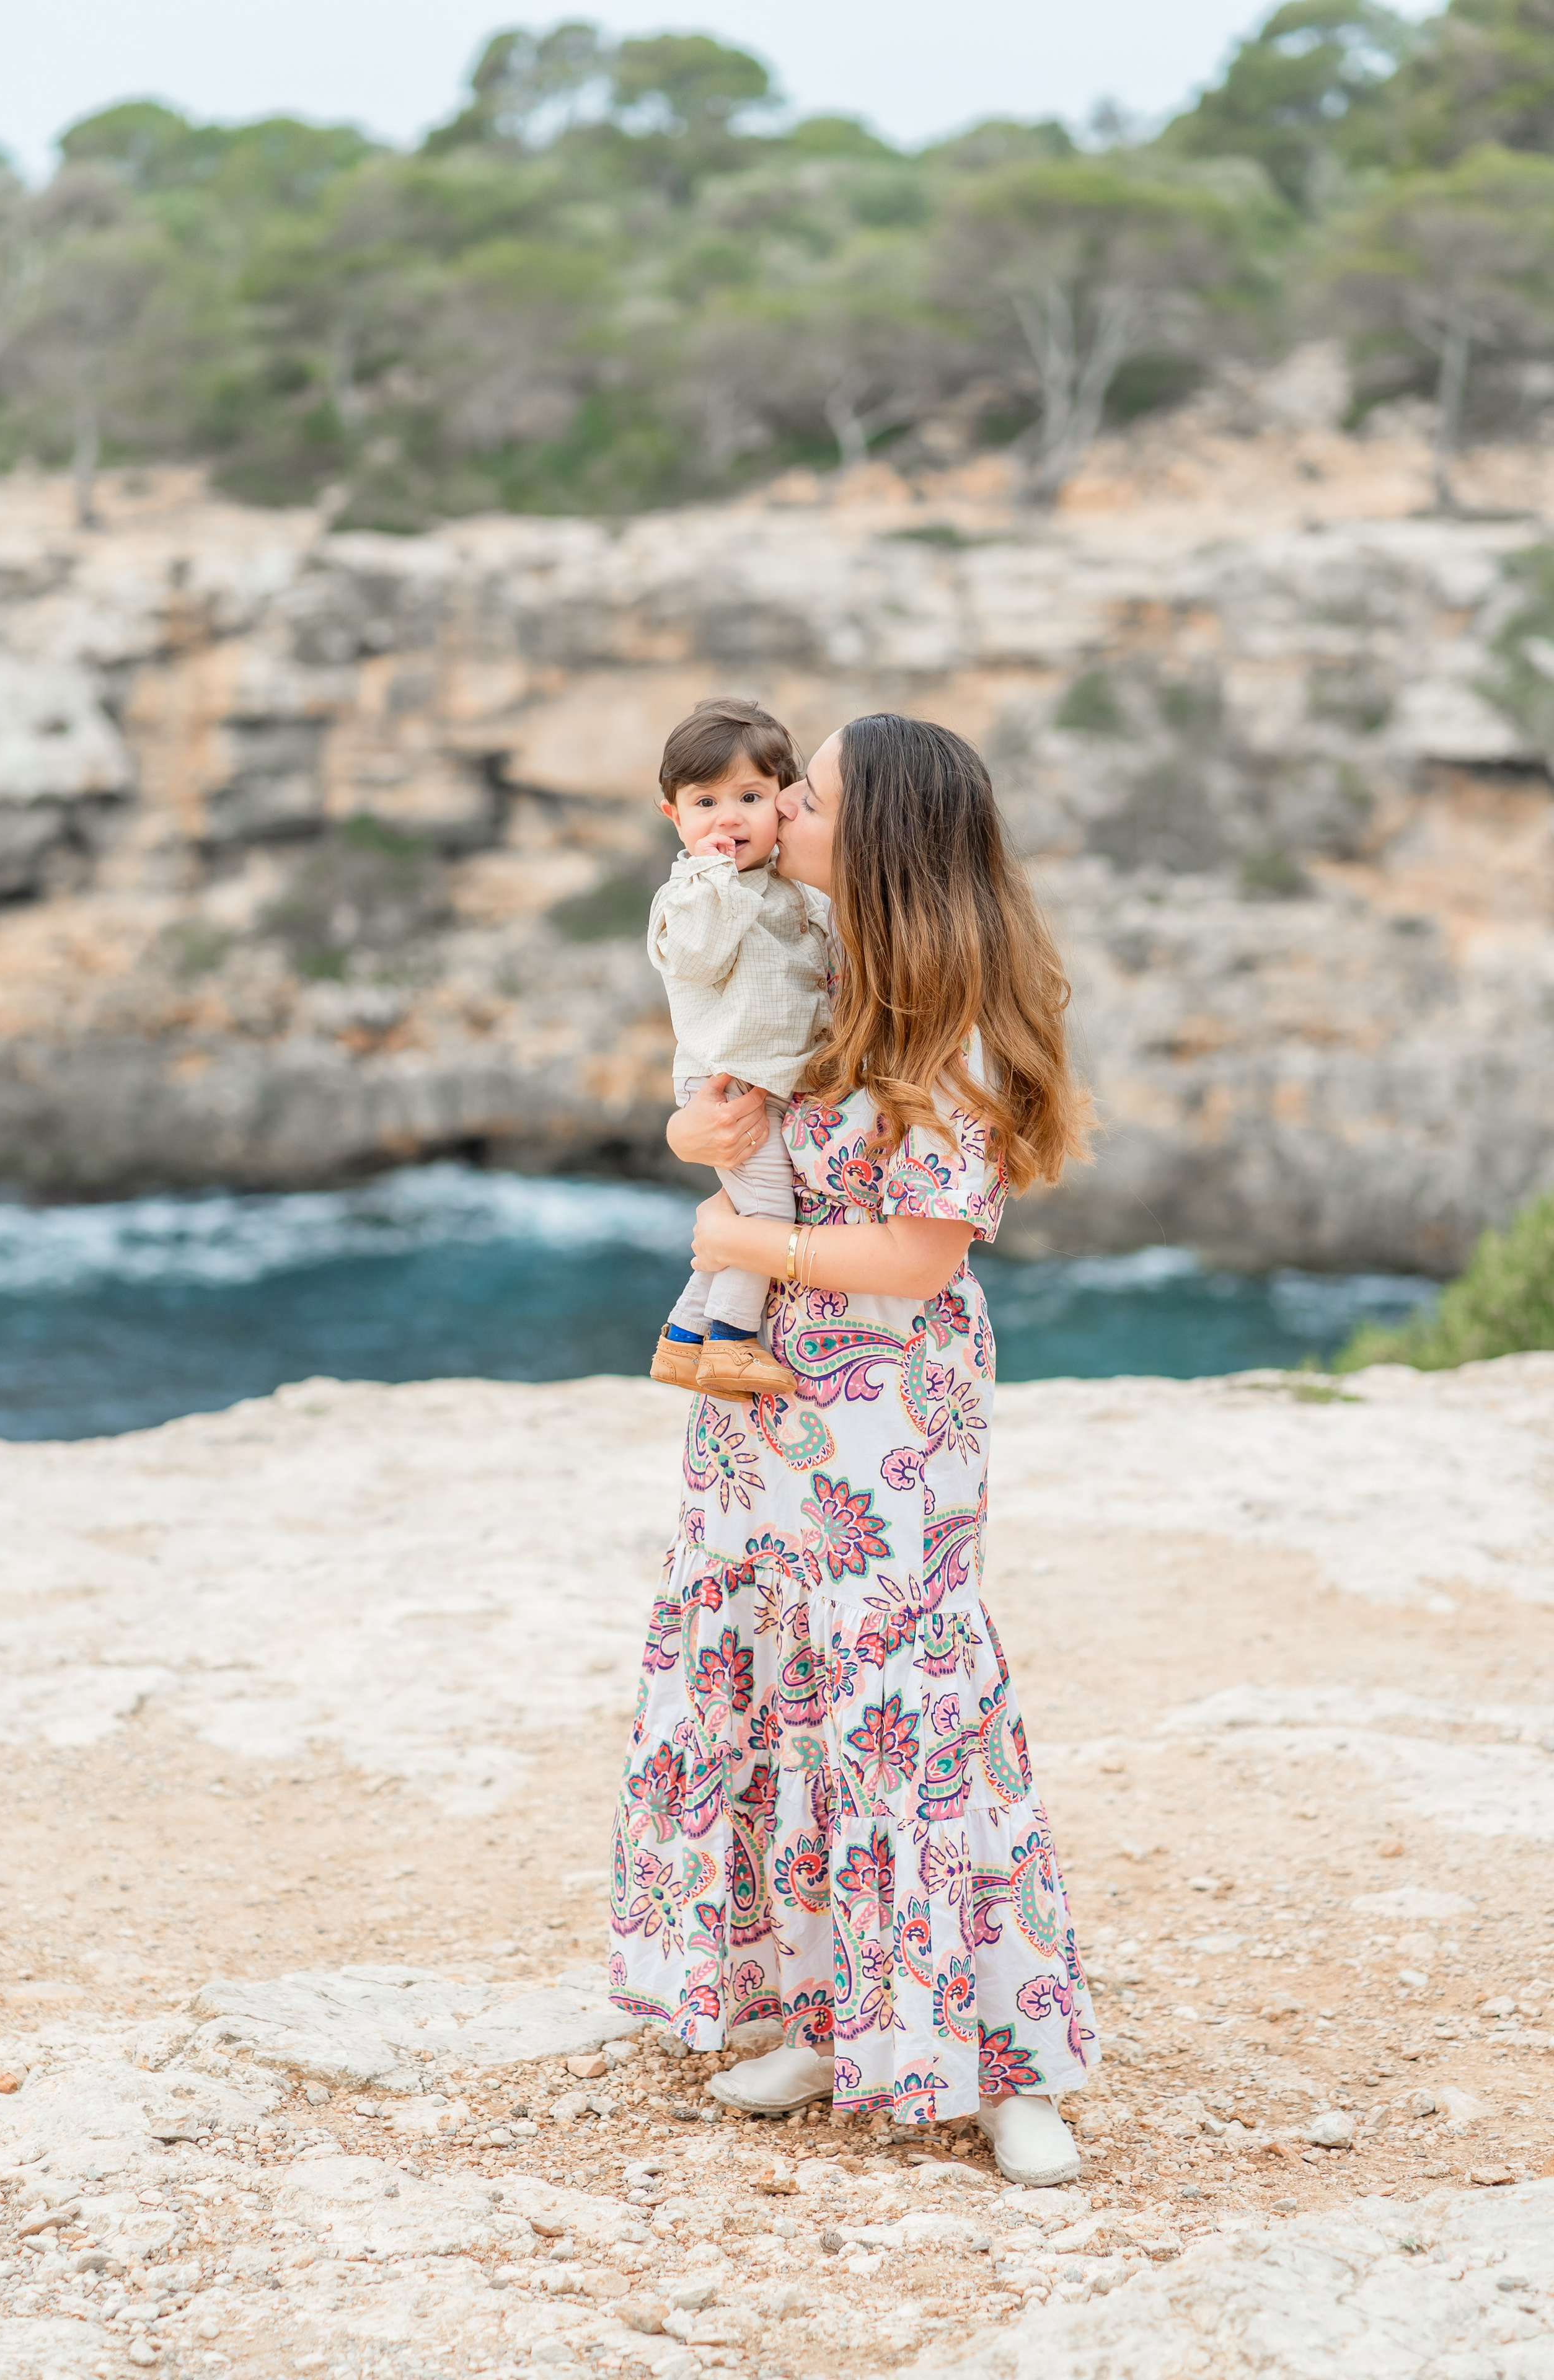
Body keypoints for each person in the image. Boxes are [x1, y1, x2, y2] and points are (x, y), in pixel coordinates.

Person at [608, 712, 1100, 2188]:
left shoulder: (949, 1024)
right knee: (793, 1698)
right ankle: (838, 2013)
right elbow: (737, 1103)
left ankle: (1002, 2051)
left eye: (805, 794)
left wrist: (731, 1234)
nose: (776, 809)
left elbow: (907, 1256)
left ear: (870, 834)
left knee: (906, 1702)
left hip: (883, 1405)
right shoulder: (819, 968)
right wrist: (705, 1136)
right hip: (767, 1403)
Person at [646, 697, 832, 1404]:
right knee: (766, 1217)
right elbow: (695, 958)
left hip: (771, 1083)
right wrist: (716, 876)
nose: (728, 819)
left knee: (754, 1210)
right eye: (705, 802)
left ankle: (682, 1339)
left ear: (784, 802)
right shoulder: (690, 894)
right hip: (724, 1086)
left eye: (750, 797)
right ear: (674, 815)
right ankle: (729, 1342)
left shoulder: (792, 889)